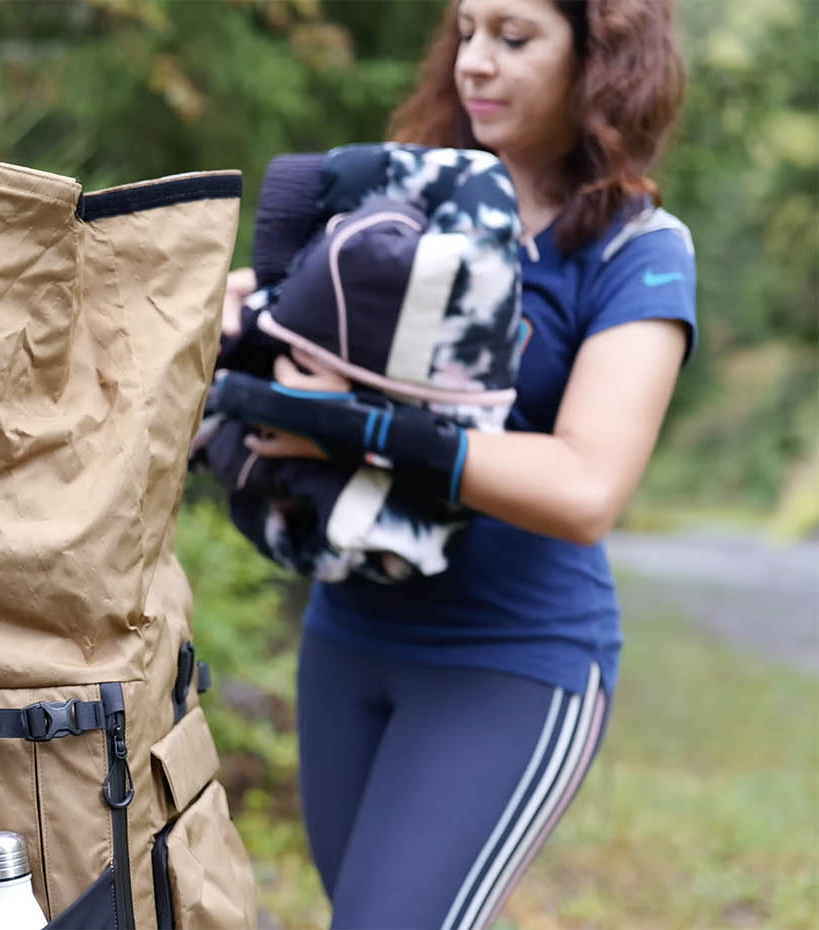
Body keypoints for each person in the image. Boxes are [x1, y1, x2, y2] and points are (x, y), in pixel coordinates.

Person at [211, 0, 695, 927]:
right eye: (467, 32)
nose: (476, 61)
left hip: (513, 659)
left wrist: (352, 425)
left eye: (514, 39)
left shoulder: (637, 253)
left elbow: (586, 488)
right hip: (349, 638)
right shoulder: (398, 204)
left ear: (601, 62)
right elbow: (255, 308)